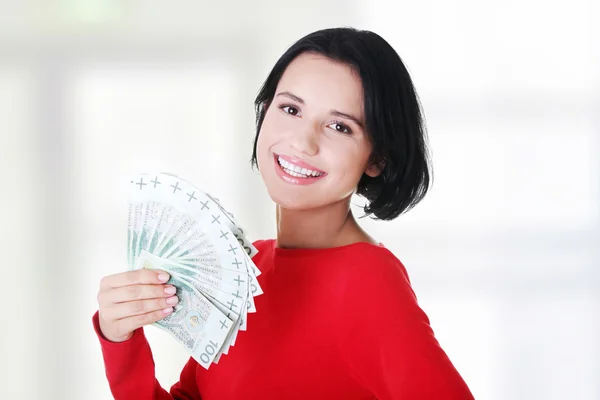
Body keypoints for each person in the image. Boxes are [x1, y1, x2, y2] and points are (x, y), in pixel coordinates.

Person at [94, 27, 475, 399]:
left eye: (339, 126)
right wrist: (120, 337)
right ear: (264, 111)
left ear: (377, 158)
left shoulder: (367, 281)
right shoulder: (244, 268)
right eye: (291, 108)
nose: (302, 141)